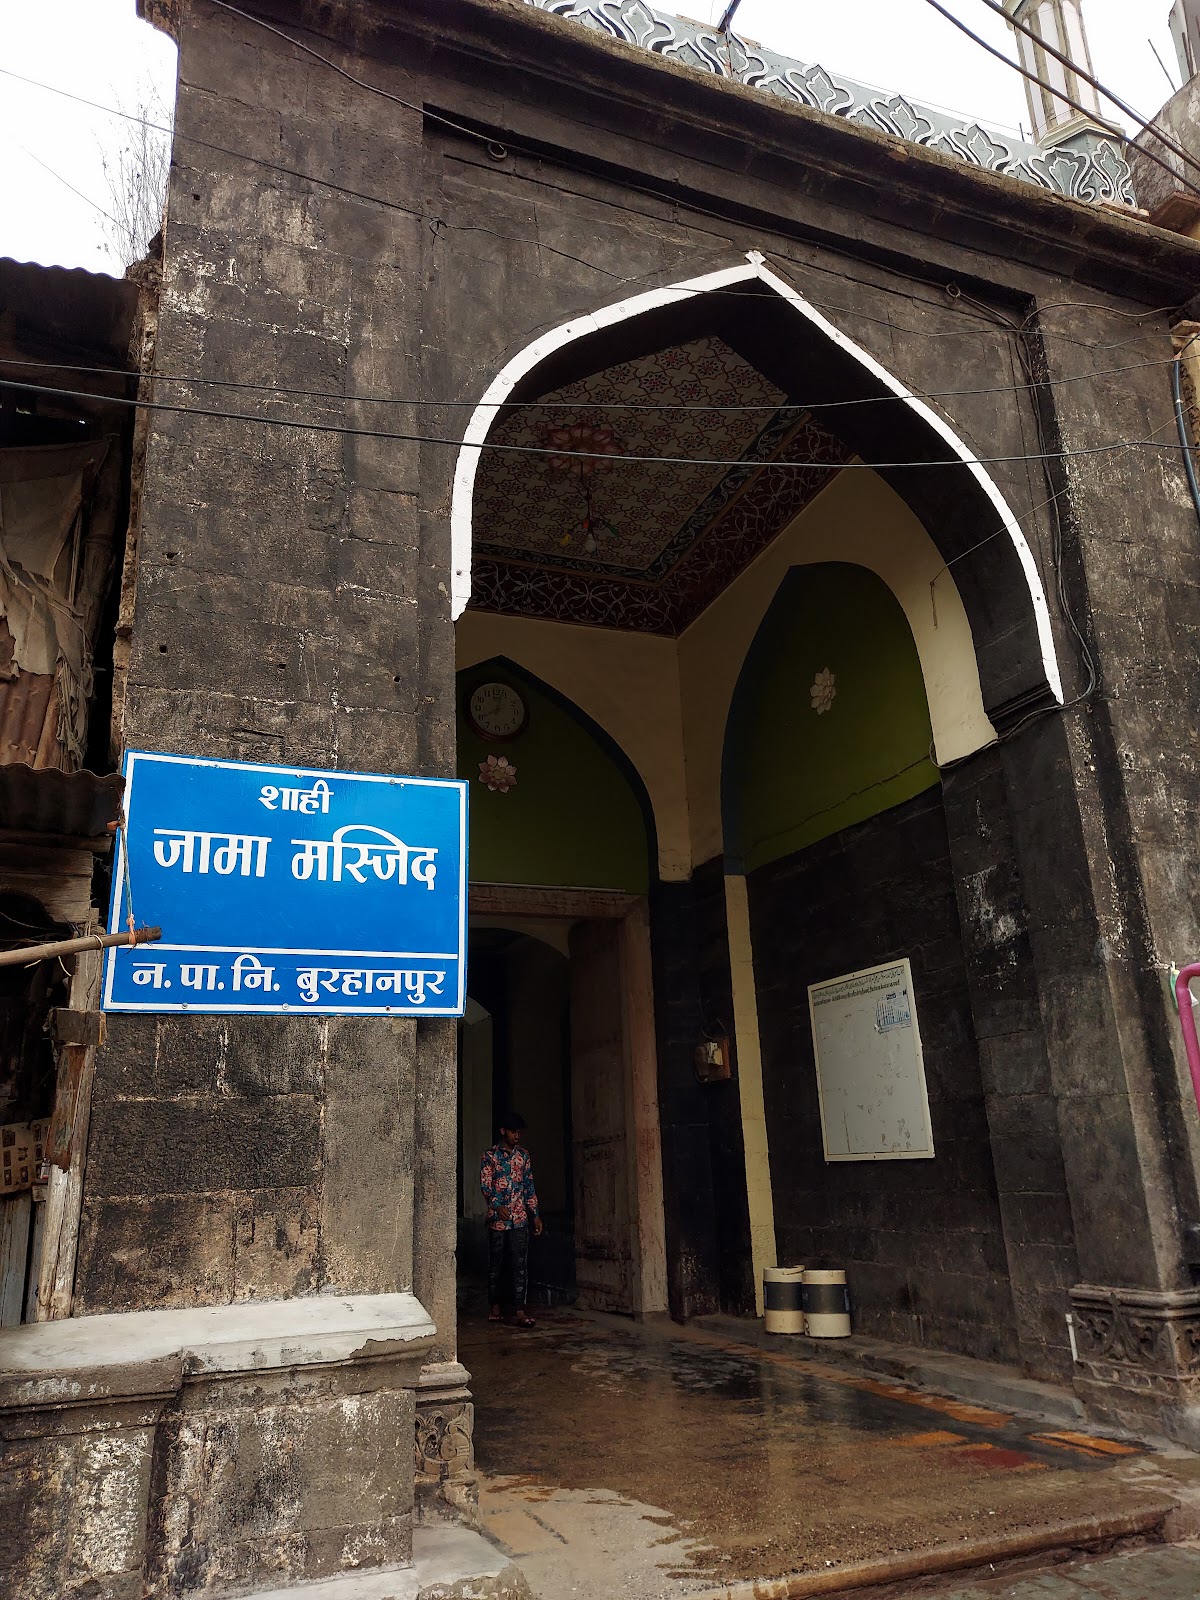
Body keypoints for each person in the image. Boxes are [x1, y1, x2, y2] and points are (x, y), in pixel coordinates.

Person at [480, 1112, 543, 1327]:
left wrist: (535, 1215)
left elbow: (529, 1186)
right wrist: (496, 1206)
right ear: (503, 1131)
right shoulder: (490, 1156)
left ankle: (519, 1310)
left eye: (519, 1132)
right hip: (498, 1221)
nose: (517, 1136)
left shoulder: (523, 1157)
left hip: (520, 1220)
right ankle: (495, 1306)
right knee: (496, 1264)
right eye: (513, 1131)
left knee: (519, 1265)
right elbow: (485, 1186)